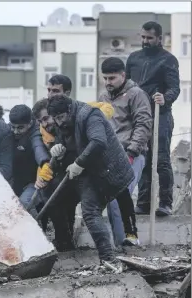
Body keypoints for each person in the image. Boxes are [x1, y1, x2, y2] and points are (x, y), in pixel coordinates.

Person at [48, 94, 134, 271]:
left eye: (61, 117)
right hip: (83, 173)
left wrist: (78, 163)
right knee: (54, 200)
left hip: (105, 171)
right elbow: (57, 164)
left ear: (70, 110)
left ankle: (108, 260)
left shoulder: (90, 115)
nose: (59, 122)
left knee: (90, 211)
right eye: (55, 119)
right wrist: (56, 156)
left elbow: (98, 142)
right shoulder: (61, 125)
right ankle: (66, 246)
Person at [126, 21, 180, 217]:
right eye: (143, 37)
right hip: (139, 117)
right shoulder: (133, 58)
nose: (145, 41)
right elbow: (127, 86)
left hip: (161, 115)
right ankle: (143, 202)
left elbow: (175, 87)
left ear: (159, 38)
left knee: (161, 160)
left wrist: (165, 98)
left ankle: (165, 203)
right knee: (143, 158)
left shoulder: (168, 60)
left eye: (149, 38)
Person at [99, 57, 153, 246]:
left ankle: (127, 242)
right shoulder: (103, 98)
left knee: (117, 197)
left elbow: (144, 125)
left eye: (112, 78)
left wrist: (131, 152)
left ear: (123, 75)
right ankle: (120, 245)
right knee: (109, 200)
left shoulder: (136, 94)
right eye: (105, 78)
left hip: (132, 155)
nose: (107, 83)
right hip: (108, 158)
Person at [8, 104, 51, 209]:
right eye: (13, 127)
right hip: (15, 182)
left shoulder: (36, 133)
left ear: (30, 123)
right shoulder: (8, 130)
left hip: (34, 183)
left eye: (20, 128)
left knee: (22, 206)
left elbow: (38, 148)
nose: (16, 131)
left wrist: (44, 162)